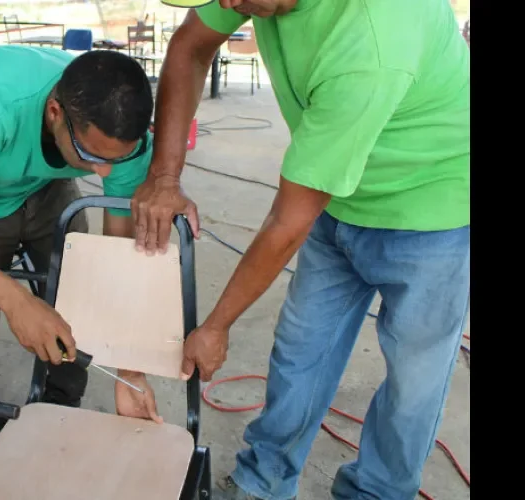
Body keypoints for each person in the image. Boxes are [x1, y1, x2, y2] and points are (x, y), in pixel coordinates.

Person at [132, 0, 470, 499]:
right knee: (299, 353)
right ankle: (264, 479)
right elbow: (190, 45)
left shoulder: (374, 37)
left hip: (432, 210)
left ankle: (375, 492)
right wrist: (164, 177)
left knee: (412, 386)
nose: (227, 3)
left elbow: (288, 221)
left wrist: (217, 326)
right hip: (336, 199)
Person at [0, 46, 161, 453]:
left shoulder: (124, 136)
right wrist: (15, 300)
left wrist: (131, 369)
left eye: (116, 160)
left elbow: (117, 257)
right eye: (91, 156)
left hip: (48, 188)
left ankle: (61, 399)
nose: (104, 172)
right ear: (55, 112)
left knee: (79, 298)